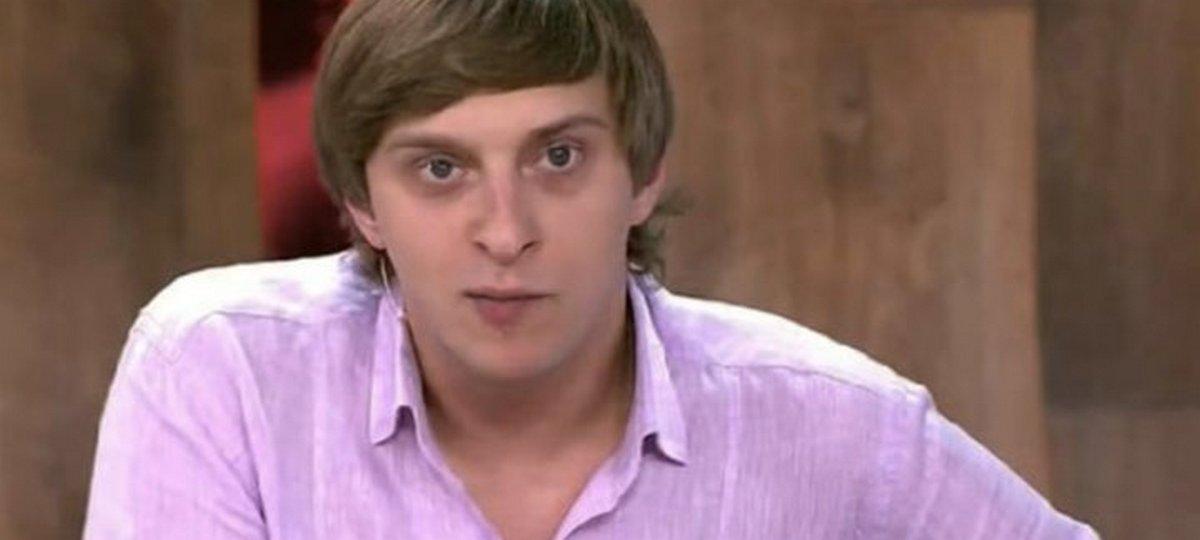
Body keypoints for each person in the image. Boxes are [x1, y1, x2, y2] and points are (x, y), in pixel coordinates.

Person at [84, 0, 1097, 538]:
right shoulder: (225, 371)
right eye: (440, 169)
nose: (505, 230)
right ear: (360, 203)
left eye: (559, 156)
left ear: (644, 174)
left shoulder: (834, 424)